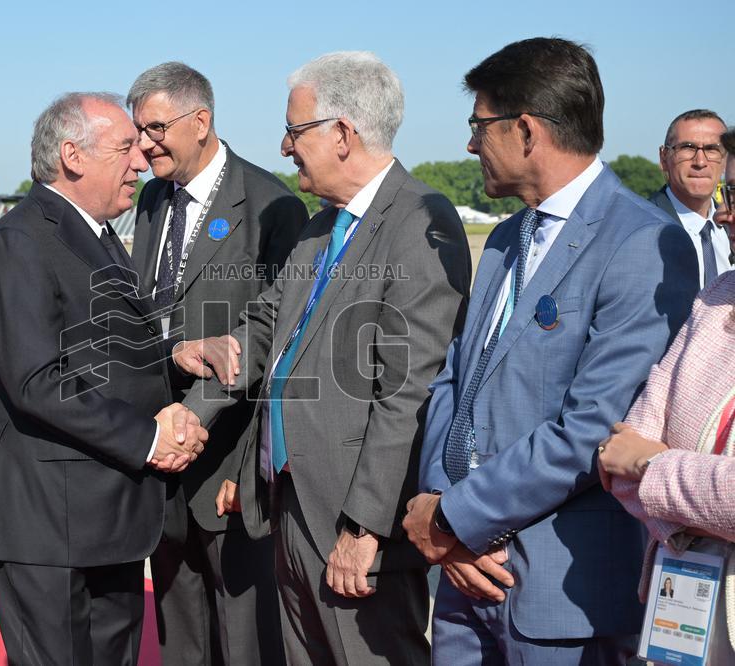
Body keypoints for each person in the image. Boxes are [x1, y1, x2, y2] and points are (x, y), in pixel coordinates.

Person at [403, 37, 700, 665]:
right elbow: (455, 381)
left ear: (526, 130)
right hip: (463, 579)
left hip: (559, 596)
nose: (470, 144)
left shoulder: (642, 243)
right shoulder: (505, 239)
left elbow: (595, 428)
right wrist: (441, 509)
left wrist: (456, 516)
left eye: (478, 126)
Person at [179, 51, 472, 665]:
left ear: (342, 133)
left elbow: (406, 393)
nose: (285, 147)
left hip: (351, 518)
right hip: (290, 504)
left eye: (295, 130)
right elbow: (264, 330)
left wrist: (364, 527)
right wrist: (194, 412)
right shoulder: (320, 228)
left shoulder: (419, 220)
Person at [0, 92, 208, 665]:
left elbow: (100, 354)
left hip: (109, 518)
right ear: (72, 156)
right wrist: (149, 438)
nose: (142, 160)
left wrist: (173, 358)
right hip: (49, 525)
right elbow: (37, 380)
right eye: (125, 147)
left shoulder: (96, 235)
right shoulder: (21, 240)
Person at [127, 62, 307, 666]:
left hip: (230, 467)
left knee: (245, 641)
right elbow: (147, 313)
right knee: (179, 638)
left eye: (155, 128)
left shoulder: (272, 206)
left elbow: (278, 346)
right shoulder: (153, 200)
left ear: (200, 120)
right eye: (138, 130)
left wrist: (254, 464)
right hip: (161, 458)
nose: (144, 144)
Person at [599, 126, 735, 664]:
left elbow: (638, 460)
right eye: (728, 193)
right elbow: (620, 451)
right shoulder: (717, 298)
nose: (724, 213)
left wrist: (654, 468)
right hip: (680, 601)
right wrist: (696, 512)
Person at [649, 109, 732, 287]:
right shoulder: (641, 228)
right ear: (664, 158)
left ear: (726, 160)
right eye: (687, 147)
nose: (700, 162)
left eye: (712, 149)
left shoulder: (730, 229)